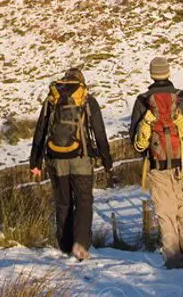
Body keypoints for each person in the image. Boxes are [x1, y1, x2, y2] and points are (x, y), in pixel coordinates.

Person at [129, 56, 183, 269]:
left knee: (165, 213)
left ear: (151, 75)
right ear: (168, 73)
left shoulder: (142, 101)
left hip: (158, 167)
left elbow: (135, 140)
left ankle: (174, 258)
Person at [30, 67, 113, 261]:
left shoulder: (52, 99)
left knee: (63, 202)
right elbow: (99, 132)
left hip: (56, 160)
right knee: (84, 201)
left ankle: (66, 246)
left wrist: (35, 162)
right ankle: (81, 247)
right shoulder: (86, 99)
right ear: (81, 81)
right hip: (81, 158)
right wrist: (107, 161)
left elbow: (41, 131)